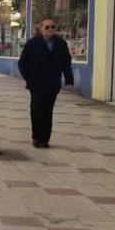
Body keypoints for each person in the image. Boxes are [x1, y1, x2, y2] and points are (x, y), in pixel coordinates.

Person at [17, 16, 73, 149]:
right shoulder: (32, 43)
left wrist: (69, 81)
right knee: (36, 110)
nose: (50, 30)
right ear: (41, 28)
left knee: (48, 111)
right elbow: (22, 63)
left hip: (52, 84)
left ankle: (45, 139)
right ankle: (36, 137)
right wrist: (29, 78)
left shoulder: (61, 44)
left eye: (53, 27)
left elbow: (66, 64)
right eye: (47, 27)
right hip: (36, 84)